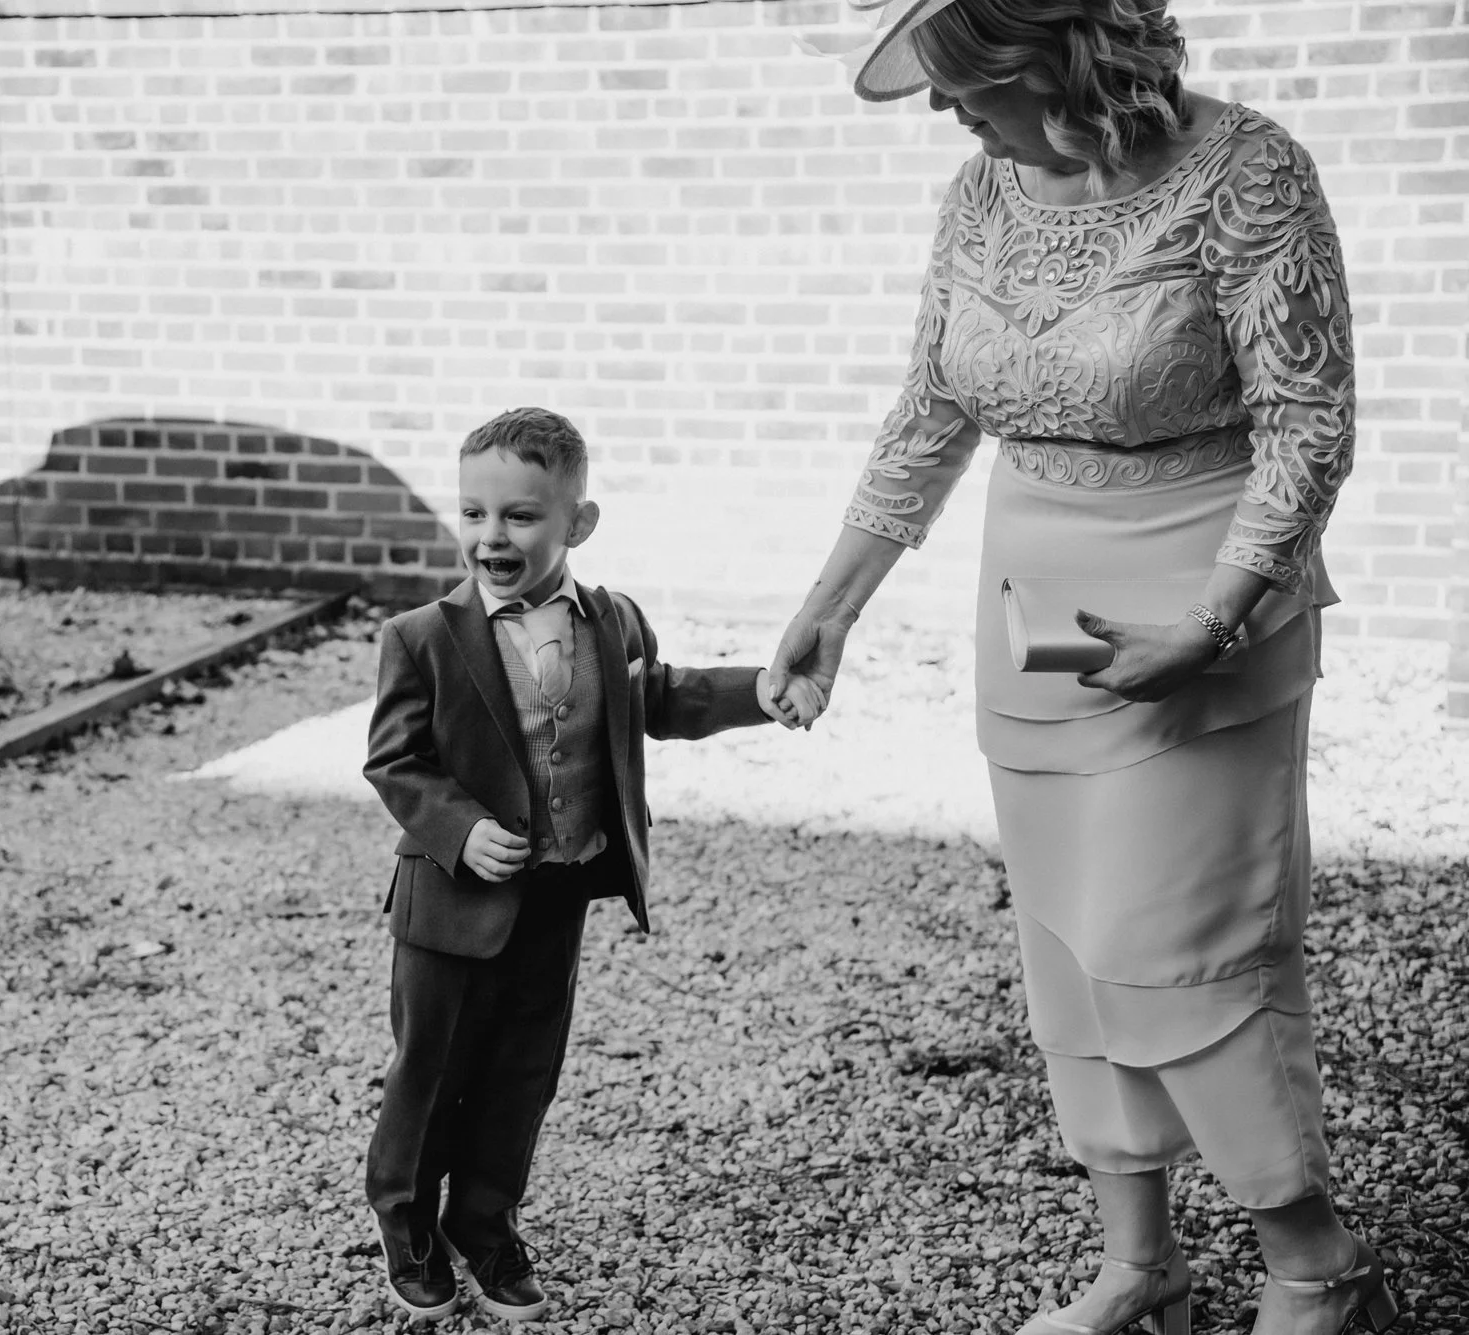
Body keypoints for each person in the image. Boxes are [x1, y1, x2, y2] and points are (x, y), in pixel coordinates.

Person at [766, 3, 1397, 1334]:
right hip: (1033, 594)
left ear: (1046, 56)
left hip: (1204, 593)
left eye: (959, 81)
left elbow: (1307, 421)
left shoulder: (1247, 170)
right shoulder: (977, 191)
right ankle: (1139, 1263)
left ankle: (1313, 1256)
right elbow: (931, 406)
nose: (941, 110)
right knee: (1069, 940)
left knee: (1185, 940)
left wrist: (1219, 618)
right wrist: (833, 603)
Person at [363, 407, 792, 1322]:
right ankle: (406, 1224)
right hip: (450, 902)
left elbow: (661, 698)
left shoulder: (613, 620)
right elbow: (395, 761)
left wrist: (761, 690)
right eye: (474, 514)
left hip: (558, 888)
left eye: (519, 516)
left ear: (577, 524)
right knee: (430, 1069)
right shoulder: (422, 637)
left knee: (524, 1069)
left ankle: (485, 1220)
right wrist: (459, 827)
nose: (491, 536)